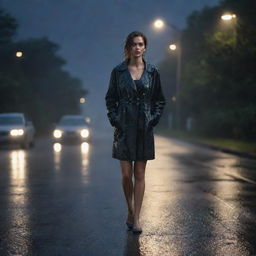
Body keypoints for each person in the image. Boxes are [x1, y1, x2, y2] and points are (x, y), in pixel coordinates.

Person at [105, 31, 165, 234]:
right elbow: (110, 99)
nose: (137, 47)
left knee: (140, 173)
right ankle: (129, 210)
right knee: (125, 175)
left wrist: (153, 119)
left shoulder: (152, 71)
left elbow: (159, 100)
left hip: (144, 128)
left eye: (141, 44)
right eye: (134, 44)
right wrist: (115, 120)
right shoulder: (118, 71)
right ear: (128, 47)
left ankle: (137, 218)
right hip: (123, 128)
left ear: (145, 47)